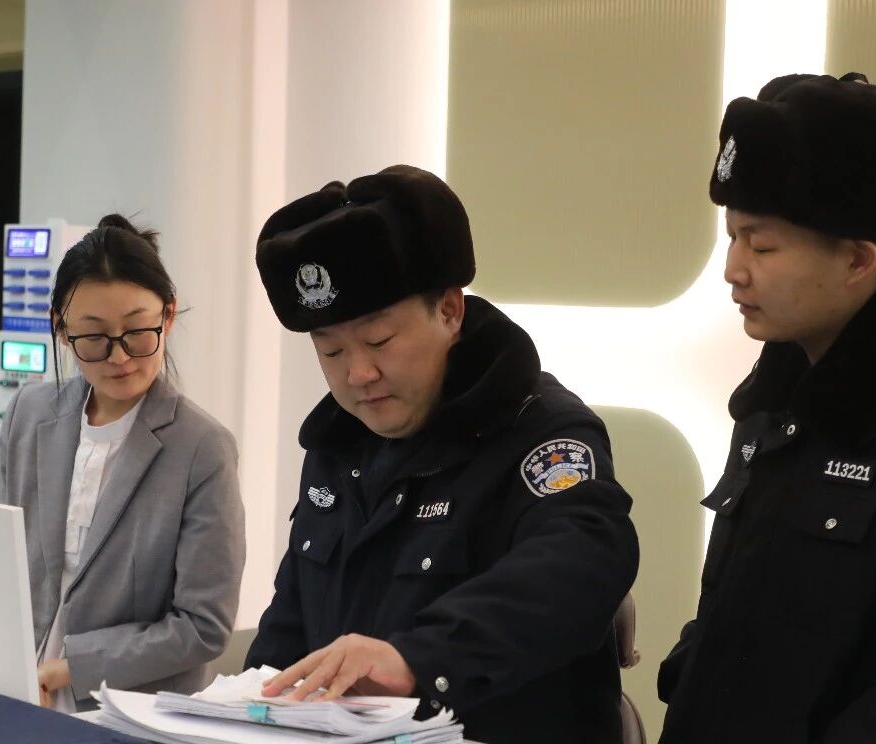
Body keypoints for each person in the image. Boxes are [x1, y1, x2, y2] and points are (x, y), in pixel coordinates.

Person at [658, 73, 876, 743]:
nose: (733, 269)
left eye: (761, 245)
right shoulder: (779, 388)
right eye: (732, 237)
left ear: (857, 260)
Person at [245, 165, 639, 744]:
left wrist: (417, 660)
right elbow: (289, 628)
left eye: (379, 341)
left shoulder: (540, 432)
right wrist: (243, 711)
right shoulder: (337, 445)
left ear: (450, 311)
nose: (358, 374)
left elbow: (583, 565)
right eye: (330, 352)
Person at [0, 214, 246, 711]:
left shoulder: (202, 448)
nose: (120, 357)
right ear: (61, 330)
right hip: (15, 693)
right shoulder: (29, 414)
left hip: (127, 712)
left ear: (168, 316)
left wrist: (68, 670)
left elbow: (203, 625)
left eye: (137, 332)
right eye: (94, 337)